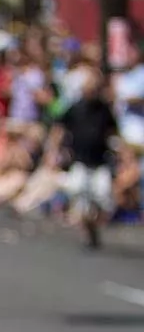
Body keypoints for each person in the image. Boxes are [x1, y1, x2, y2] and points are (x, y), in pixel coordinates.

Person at [52, 64, 119, 248]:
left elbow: (112, 132)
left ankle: (93, 223)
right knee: (77, 191)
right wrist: (54, 152)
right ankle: (86, 229)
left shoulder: (104, 110)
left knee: (103, 196)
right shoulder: (75, 107)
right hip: (80, 160)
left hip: (100, 161)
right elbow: (59, 128)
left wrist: (121, 153)